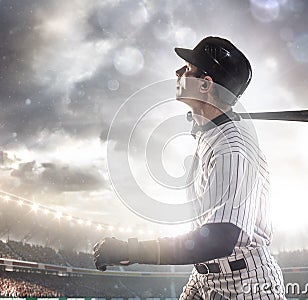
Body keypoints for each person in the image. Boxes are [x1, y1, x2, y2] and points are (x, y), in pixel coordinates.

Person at [93, 36, 286, 299]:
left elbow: (219, 238)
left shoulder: (232, 147)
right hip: (206, 278)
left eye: (187, 69)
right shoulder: (210, 134)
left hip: (245, 285)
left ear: (205, 84)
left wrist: (132, 250)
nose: (178, 72)